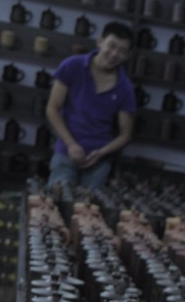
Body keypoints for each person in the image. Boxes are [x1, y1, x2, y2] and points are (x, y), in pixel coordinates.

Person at [45, 21, 136, 191]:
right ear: (100, 41)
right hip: (66, 153)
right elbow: (52, 109)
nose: (114, 54)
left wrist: (101, 153)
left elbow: (125, 135)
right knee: (55, 201)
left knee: (90, 206)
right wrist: (71, 144)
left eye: (122, 51)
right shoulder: (72, 66)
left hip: (98, 162)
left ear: (127, 56)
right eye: (111, 46)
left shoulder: (125, 89)